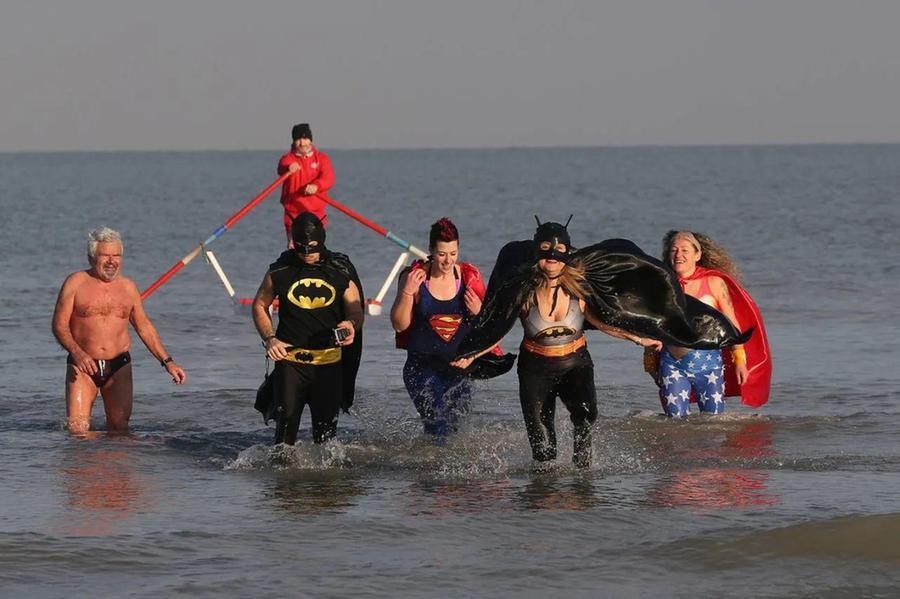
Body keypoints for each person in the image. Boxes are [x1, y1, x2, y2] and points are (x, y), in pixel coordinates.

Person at [453, 218, 750, 468]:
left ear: (567, 253)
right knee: (543, 449)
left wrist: (638, 338)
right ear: (535, 253)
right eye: (545, 252)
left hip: (575, 364)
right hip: (535, 369)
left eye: (558, 252)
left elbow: (603, 320)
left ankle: (582, 497)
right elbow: (500, 325)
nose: (552, 259)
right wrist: (471, 354)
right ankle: (542, 507)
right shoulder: (522, 288)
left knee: (584, 427)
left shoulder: (580, 287)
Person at [51, 227, 187, 435]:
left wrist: (167, 362)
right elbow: (59, 326)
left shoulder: (128, 287)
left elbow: (144, 327)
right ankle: (82, 467)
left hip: (119, 366)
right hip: (83, 366)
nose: (111, 261)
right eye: (105, 255)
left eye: (116, 255)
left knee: (119, 430)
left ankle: (113, 468)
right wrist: (78, 354)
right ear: (91, 257)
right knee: (77, 430)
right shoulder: (75, 283)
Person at [252, 212, 364, 445]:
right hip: (291, 363)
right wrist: (270, 338)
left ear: (322, 240)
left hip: (329, 365)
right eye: (301, 248)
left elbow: (356, 312)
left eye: (312, 248)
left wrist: (350, 325)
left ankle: (323, 484)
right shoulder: (280, 270)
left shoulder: (340, 269)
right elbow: (259, 305)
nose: (307, 255)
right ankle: (283, 481)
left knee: (327, 443)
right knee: (284, 438)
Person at [390, 217, 501, 437]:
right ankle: (430, 468)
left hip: (459, 370)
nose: (447, 261)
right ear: (431, 251)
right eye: (441, 254)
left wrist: (480, 314)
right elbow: (399, 325)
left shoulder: (470, 277)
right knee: (437, 427)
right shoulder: (415, 277)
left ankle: (433, 465)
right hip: (421, 369)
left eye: (453, 254)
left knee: (456, 431)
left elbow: (495, 332)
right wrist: (407, 292)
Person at [646, 230, 771, 417]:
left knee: (713, 422)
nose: (679, 255)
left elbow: (732, 324)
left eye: (685, 250)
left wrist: (739, 360)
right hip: (672, 364)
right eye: (674, 250)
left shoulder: (714, 283)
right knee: (675, 423)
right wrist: (648, 355)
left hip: (708, 365)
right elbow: (651, 322)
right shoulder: (662, 284)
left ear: (697, 255)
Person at [277, 123, 336, 246]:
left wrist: (316, 186)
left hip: (317, 213)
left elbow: (328, 178)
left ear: (310, 140)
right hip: (293, 213)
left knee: (315, 249)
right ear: (294, 142)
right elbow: (282, 167)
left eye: (305, 139)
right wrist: (288, 168)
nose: (302, 143)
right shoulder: (288, 159)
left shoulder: (321, 159)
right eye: (298, 139)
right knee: (294, 249)